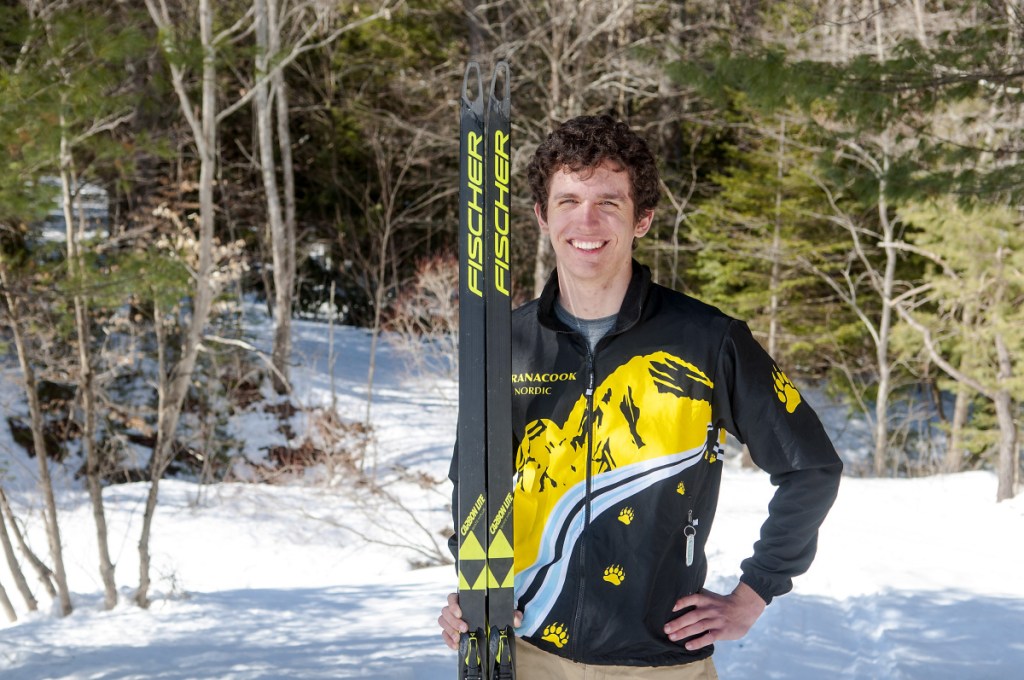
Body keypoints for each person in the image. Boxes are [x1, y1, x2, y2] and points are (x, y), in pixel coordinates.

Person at [438, 114, 843, 679]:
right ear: (541, 215)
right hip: (523, 655)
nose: (586, 220)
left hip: (659, 663)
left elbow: (812, 467)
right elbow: (473, 483)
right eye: (568, 201)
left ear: (643, 218)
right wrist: (473, 590)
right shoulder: (505, 344)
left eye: (609, 202)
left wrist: (755, 592)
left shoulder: (706, 340)